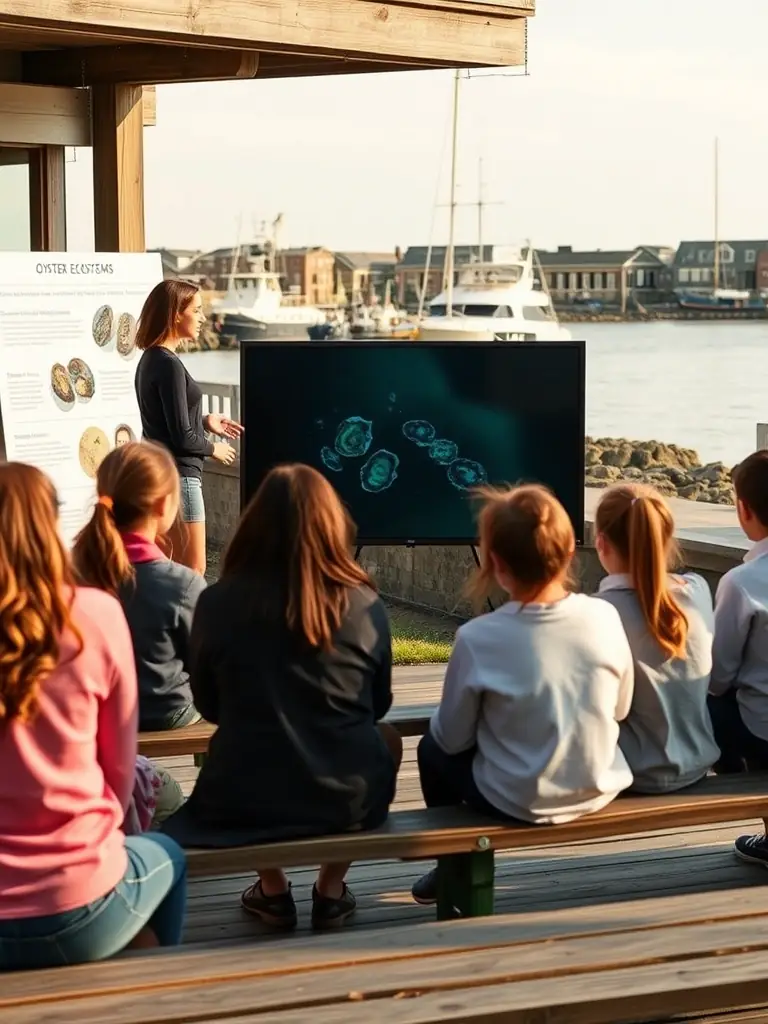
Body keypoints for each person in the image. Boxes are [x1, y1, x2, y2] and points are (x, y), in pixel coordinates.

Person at [162, 464, 402, 931]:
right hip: (347, 798)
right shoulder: (364, 604)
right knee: (388, 739)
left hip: (245, 795)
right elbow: (379, 706)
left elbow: (209, 707)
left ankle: (272, 890)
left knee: (221, 747)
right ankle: (331, 889)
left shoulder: (216, 603)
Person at [0, 463, 186, 970]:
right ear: (48, 525)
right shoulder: (95, 614)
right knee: (170, 855)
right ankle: (149, 991)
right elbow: (120, 773)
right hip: (78, 902)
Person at [411, 484, 635, 906]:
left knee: (429, 750)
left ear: (495, 562)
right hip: (598, 785)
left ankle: (449, 863)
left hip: (517, 799)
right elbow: (620, 707)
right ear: (571, 551)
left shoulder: (478, 637)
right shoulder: (604, 614)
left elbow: (452, 739)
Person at [72, 440, 206, 731]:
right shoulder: (184, 585)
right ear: (162, 505)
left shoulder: (76, 574)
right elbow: (203, 666)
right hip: (165, 711)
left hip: (96, 711)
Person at [593, 484, 719, 793]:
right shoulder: (698, 590)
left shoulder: (598, 614)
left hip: (631, 772)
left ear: (601, 544)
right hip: (697, 764)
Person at [134, 279, 243, 575]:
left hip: (164, 476)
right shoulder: (167, 364)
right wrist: (214, 449)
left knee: (167, 568)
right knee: (192, 572)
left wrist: (205, 420)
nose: (203, 318)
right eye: (197, 310)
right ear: (175, 315)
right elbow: (181, 436)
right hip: (181, 478)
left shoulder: (151, 359)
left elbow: (165, 422)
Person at [708, 451, 768, 864]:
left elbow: (719, 676)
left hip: (763, 734)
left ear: (743, 509)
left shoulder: (741, 582)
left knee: (707, 701)